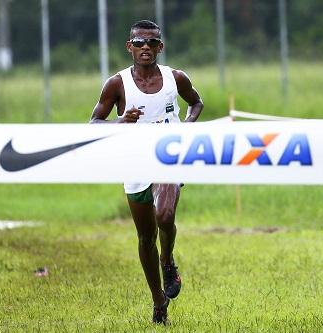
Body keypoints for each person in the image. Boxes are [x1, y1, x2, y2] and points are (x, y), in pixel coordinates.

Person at [90, 20, 204, 324]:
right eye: (139, 43)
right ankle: (158, 303)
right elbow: (93, 124)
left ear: (160, 47)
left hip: (168, 159)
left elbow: (196, 103)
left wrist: (184, 130)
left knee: (165, 215)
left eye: (152, 43)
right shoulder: (116, 84)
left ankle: (168, 260)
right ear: (129, 47)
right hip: (134, 162)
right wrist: (121, 122)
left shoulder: (175, 78)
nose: (145, 48)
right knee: (145, 237)